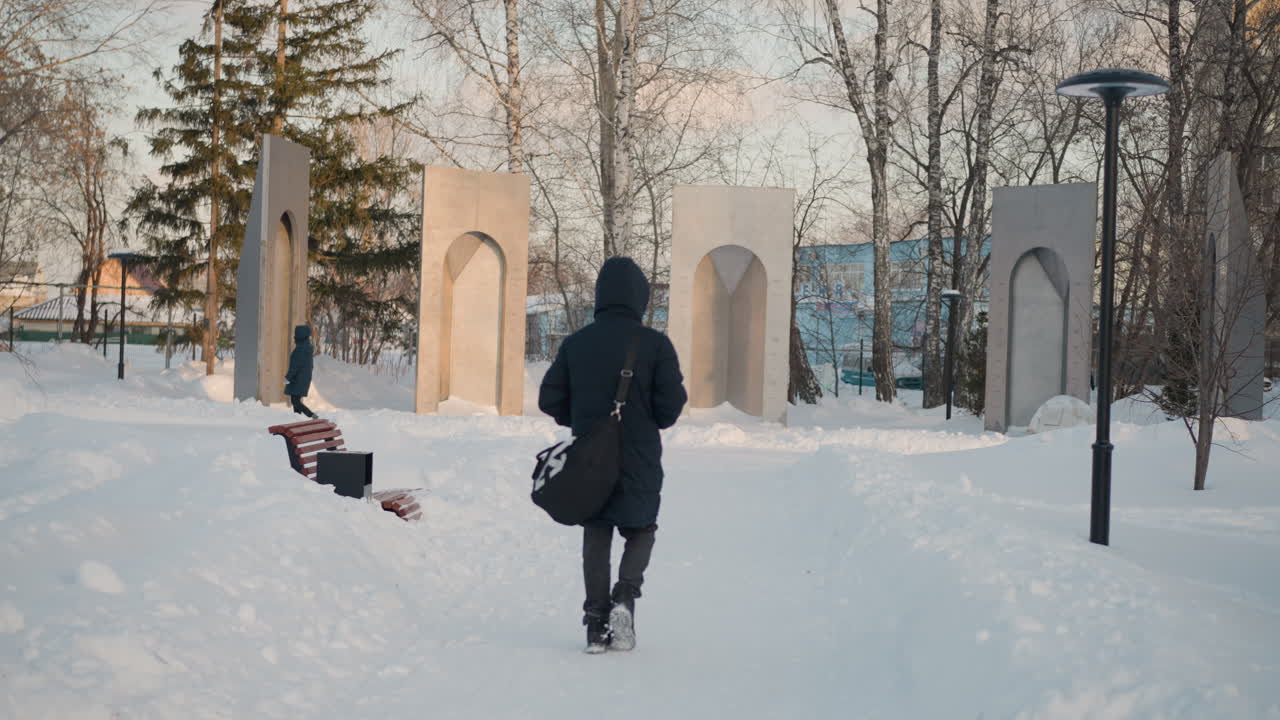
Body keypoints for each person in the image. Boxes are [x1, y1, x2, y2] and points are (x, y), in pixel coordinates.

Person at [538, 256, 688, 654]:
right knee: (642, 528)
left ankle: (594, 625)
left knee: (597, 529)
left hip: (590, 457)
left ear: (601, 295)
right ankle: (625, 597)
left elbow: (548, 398)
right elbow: (671, 407)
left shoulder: (577, 343)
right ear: (639, 297)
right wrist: (642, 419)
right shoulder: (655, 344)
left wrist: (585, 422)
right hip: (638, 456)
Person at [284, 324, 318, 418]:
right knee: (296, 400)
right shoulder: (307, 348)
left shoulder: (300, 349)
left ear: (298, 336)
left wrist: (288, 377)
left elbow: (294, 366)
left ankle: (311, 415)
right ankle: (297, 418)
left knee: (295, 401)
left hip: (297, 379)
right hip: (304, 378)